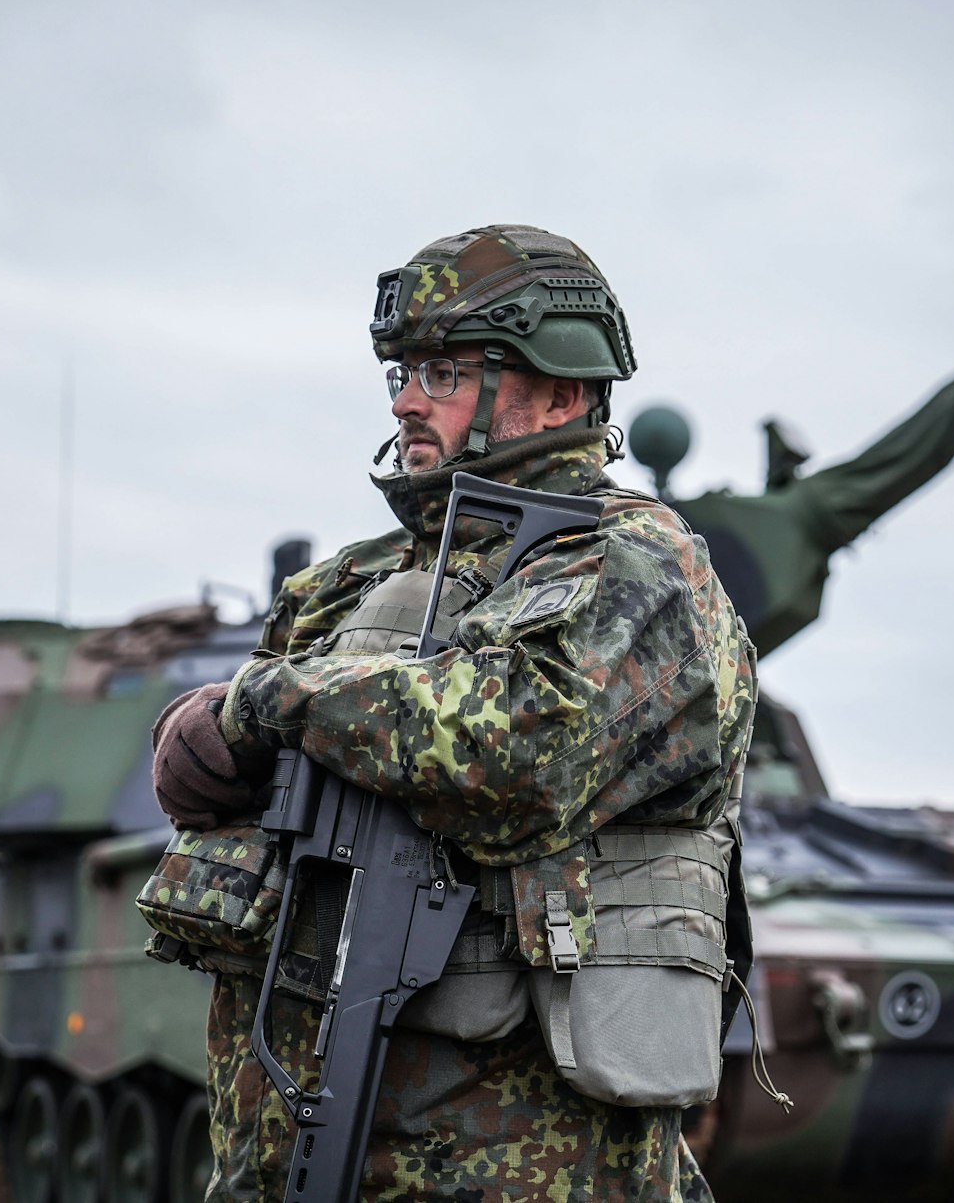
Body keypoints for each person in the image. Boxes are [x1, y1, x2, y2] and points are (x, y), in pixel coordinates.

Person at [152, 224, 758, 1201]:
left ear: (558, 391)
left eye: (441, 373)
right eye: (400, 371)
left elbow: (517, 751)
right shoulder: (349, 583)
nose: (402, 400)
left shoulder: (638, 565)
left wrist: (263, 700)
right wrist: (205, 730)